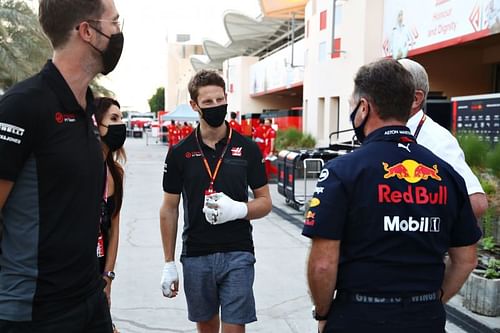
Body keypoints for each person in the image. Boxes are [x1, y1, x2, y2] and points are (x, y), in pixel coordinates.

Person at [303, 58, 481, 333]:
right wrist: (432, 302)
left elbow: (323, 264)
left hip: (358, 317)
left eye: (352, 104)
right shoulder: (447, 173)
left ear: (365, 107)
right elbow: (467, 259)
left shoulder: (342, 171)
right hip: (425, 319)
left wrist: (323, 313)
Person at [0, 0, 123, 331]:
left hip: (89, 301)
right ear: (87, 31)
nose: (118, 32)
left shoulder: (88, 108)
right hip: (34, 313)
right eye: (114, 22)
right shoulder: (22, 106)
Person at [160, 69, 272, 333]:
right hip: (197, 254)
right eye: (207, 102)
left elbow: (265, 201)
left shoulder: (247, 148)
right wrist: (168, 263)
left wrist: (238, 209)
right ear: (194, 105)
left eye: (219, 100)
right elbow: (169, 208)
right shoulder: (180, 152)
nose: (215, 107)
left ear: (226, 99)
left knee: (234, 329)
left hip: (238, 252)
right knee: (207, 328)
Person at [399, 58, 489, 219]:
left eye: (388, 89)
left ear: (415, 99)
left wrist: (419, 223)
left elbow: (476, 202)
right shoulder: (385, 131)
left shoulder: (437, 139)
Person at [94, 97, 127, 333]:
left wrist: (108, 277)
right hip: (73, 271)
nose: (121, 124)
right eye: (113, 119)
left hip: (100, 269)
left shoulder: (116, 173)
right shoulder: (76, 167)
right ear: (96, 124)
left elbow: (114, 229)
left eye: (121, 118)